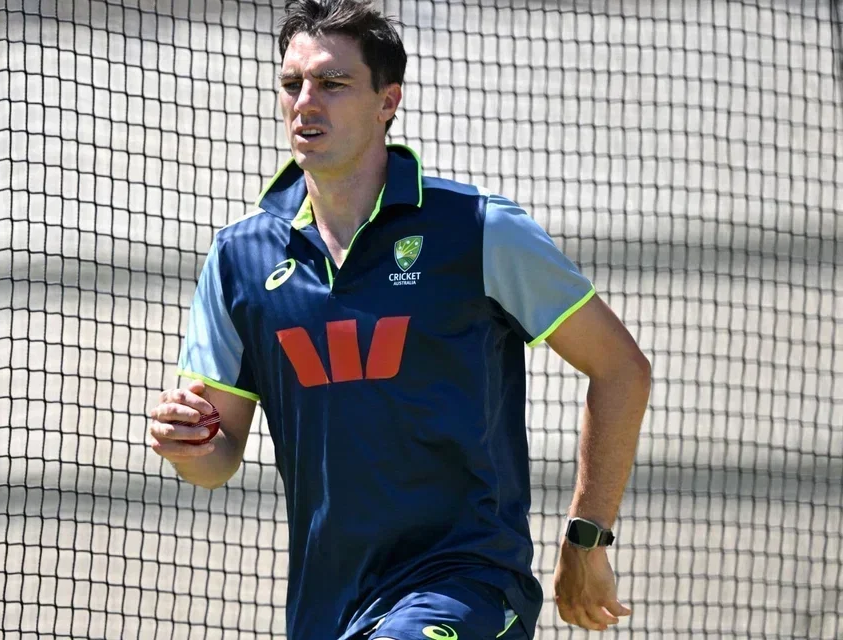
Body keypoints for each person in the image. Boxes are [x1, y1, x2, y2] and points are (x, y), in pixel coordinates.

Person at [148, 1, 652, 638]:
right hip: (327, 607)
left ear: (388, 101)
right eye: (291, 83)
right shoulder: (239, 258)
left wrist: (586, 537)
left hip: (468, 583)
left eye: (332, 83)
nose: (306, 101)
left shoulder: (477, 229)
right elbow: (220, 459)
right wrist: (187, 446)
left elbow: (621, 370)